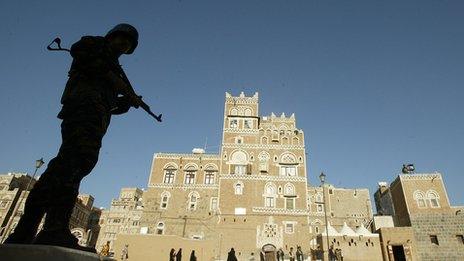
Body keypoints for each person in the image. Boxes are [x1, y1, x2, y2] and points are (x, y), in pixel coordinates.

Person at [4, 23, 142, 251]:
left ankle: (29, 229)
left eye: (128, 44)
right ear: (111, 36)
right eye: (121, 39)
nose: (123, 45)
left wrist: (125, 102)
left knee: (66, 168)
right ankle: (52, 229)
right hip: (82, 109)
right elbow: (85, 59)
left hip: (95, 117)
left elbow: (109, 103)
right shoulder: (93, 45)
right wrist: (120, 86)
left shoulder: (115, 68)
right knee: (73, 165)